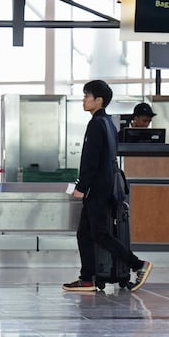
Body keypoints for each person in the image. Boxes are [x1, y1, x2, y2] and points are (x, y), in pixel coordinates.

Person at [63, 80, 153, 292]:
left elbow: (91, 159)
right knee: (85, 234)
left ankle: (138, 265)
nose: (84, 100)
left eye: (87, 96)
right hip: (107, 186)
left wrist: (81, 187)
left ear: (99, 100)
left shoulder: (96, 124)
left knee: (100, 234)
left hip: (97, 188)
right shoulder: (109, 123)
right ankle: (87, 279)